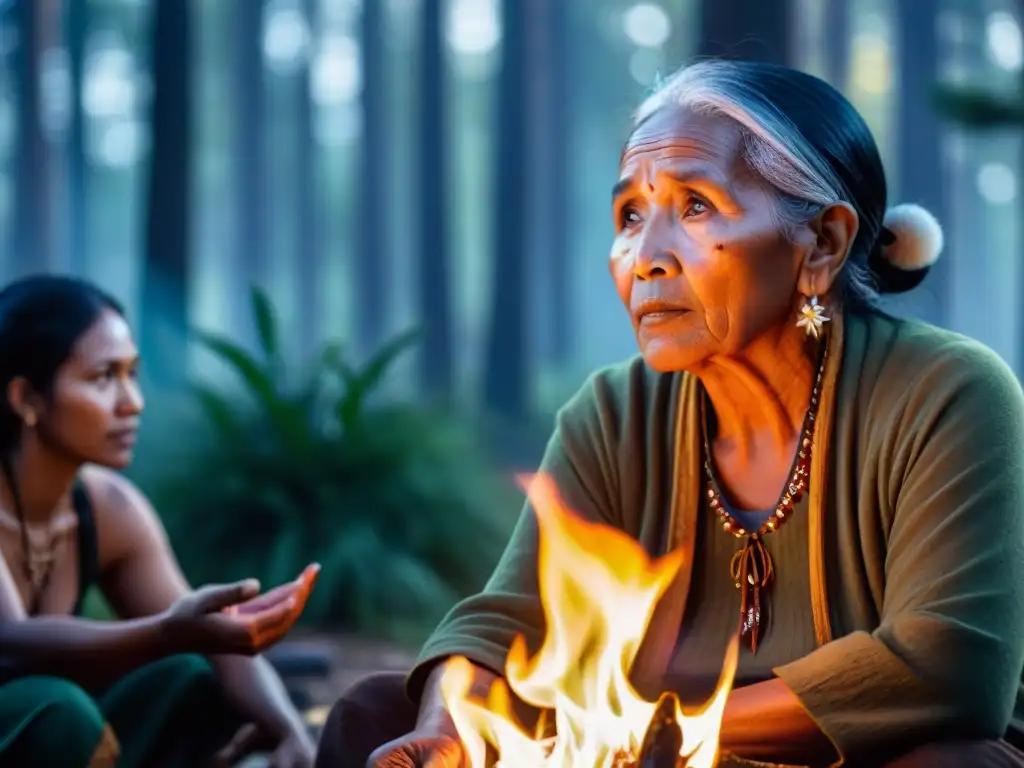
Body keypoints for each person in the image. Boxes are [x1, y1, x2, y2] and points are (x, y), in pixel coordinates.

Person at [315, 60, 1024, 768]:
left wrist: (647, 734)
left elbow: (947, 667)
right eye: (629, 215)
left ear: (824, 243)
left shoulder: (949, 393)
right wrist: (450, 723)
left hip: (813, 758)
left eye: (695, 207)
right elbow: (509, 622)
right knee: (375, 716)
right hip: (632, 755)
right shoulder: (613, 413)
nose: (646, 257)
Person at [0, 275, 320, 768]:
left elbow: (212, 643)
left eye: (132, 374)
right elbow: (12, 642)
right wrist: (169, 631)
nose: (132, 402)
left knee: (189, 677)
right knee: (60, 711)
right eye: (103, 377)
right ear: (26, 398)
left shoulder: (108, 507)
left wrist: (290, 731)